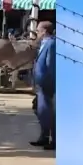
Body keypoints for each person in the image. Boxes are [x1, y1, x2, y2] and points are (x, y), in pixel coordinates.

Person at [30, 20, 56, 150]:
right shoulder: (43, 43)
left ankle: (54, 140)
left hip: (46, 85)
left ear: (44, 31)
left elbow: (51, 66)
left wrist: (48, 84)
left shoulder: (51, 44)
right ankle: (44, 136)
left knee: (49, 112)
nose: (37, 33)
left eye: (38, 30)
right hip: (40, 85)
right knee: (41, 111)